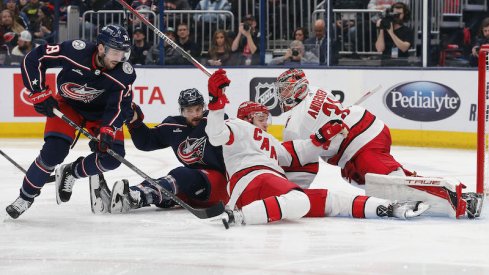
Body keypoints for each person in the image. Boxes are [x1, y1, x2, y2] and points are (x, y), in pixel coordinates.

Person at [205, 69, 429, 228]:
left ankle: (390, 207)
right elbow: (215, 135)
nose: (266, 122)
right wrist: (216, 103)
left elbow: (299, 152)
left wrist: (321, 137)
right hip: (251, 182)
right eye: (261, 117)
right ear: (246, 117)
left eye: (267, 118)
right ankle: (238, 216)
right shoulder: (236, 126)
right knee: (300, 200)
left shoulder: (271, 143)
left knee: (334, 201)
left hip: (271, 184)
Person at [274, 68, 483, 219]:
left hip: (361, 144)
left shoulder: (295, 125)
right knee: (374, 182)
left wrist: (292, 194)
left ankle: (461, 199)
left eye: (284, 90)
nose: (280, 94)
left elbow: (302, 166)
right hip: (365, 134)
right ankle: (441, 191)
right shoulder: (316, 91)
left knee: (393, 186)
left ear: (297, 88)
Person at [5, 24, 136, 219]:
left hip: (100, 115)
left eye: (123, 53)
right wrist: (39, 93)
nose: (119, 59)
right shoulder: (75, 51)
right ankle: (25, 197)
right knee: (52, 153)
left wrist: (106, 131)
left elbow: (120, 107)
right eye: (115, 52)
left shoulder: (124, 74)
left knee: (112, 158)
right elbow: (34, 59)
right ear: (101, 48)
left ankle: (72, 172)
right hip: (68, 105)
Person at [108, 88, 229, 213]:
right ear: (182, 111)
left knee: (181, 174)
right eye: (189, 111)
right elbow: (146, 142)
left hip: (220, 185)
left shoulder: (213, 121)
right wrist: (135, 121)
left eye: (198, 109)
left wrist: (217, 99)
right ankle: (127, 196)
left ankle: (135, 197)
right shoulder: (173, 126)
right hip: (193, 188)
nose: (195, 114)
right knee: (165, 186)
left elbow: (222, 123)